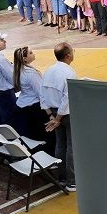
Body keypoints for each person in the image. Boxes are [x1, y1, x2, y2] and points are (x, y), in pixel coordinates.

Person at [41, 43, 77, 192]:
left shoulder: (49, 71)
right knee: (71, 147)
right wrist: (59, 118)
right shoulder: (69, 72)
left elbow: (42, 94)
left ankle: (61, 177)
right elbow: (67, 98)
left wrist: (51, 115)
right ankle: (72, 181)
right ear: (68, 55)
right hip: (65, 114)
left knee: (60, 144)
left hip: (53, 112)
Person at [13, 46, 45, 141]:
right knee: (39, 134)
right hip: (32, 108)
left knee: (28, 135)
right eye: (31, 53)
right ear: (24, 58)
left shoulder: (18, 70)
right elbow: (40, 93)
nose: (33, 53)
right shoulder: (31, 73)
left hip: (22, 104)